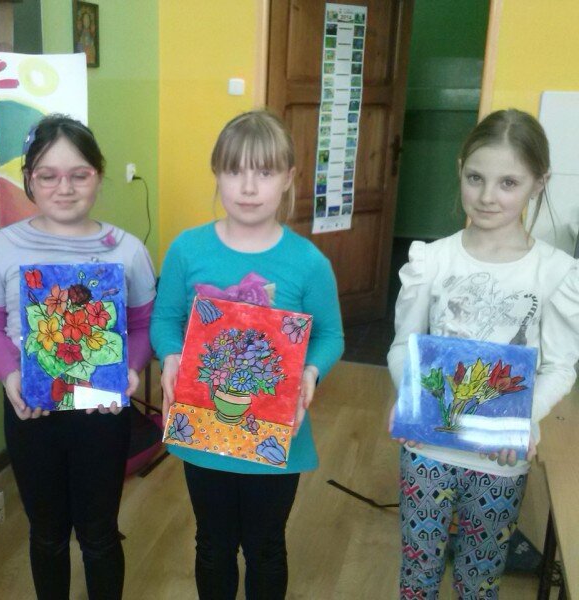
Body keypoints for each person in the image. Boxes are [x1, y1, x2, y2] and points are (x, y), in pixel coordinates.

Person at [150, 110, 345, 599]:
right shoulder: (187, 249)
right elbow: (165, 320)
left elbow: (331, 335)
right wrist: (170, 356)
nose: (249, 186)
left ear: (289, 178)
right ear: (217, 173)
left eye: (265, 171)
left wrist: (311, 372)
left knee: (266, 547)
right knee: (212, 545)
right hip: (203, 430)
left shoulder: (308, 262)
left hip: (277, 434)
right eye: (235, 170)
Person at [387, 108, 579, 599]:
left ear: (539, 183)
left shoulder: (554, 273)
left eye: (508, 183)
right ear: (460, 171)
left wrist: (523, 419)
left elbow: (560, 368)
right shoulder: (432, 260)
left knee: (480, 579)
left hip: (500, 456)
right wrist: (409, 397)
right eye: (476, 178)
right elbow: (404, 346)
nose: (488, 196)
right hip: (427, 450)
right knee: (417, 577)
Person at [0, 114, 156, 600]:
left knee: (100, 533)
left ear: (99, 175)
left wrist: (131, 369)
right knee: (47, 533)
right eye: (48, 175)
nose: (64, 188)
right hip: (31, 410)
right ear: (29, 179)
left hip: (102, 412)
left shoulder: (127, 250)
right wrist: (11, 376)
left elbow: (143, 326)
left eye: (79, 174)